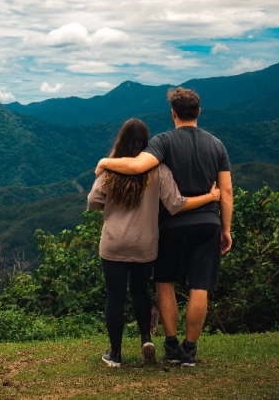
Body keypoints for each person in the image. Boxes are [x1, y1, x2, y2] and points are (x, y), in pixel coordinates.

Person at [94, 87, 233, 367]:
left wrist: (104, 162)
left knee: (164, 283)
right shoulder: (217, 145)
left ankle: (170, 347)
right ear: (199, 112)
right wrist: (225, 229)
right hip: (208, 223)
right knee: (200, 286)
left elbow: (136, 168)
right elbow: (227, 191)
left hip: (171, 226)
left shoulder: (163, 142)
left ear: (173, 114)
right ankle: (189, 351)